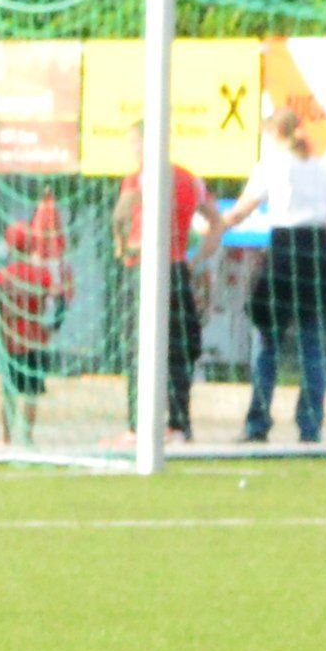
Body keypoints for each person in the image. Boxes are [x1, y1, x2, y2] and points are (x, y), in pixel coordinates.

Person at [238, 118, 326, 447]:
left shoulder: (273, 165)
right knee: (312, 346)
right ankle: (310, 427)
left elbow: (242, 209)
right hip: (316, 255)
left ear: (274, 135)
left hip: (284, 252)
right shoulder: (325, 171)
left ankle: (257, 424)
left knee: (267, 343)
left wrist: (214, 226)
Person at [123, 150, 213, 440]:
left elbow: (120, 214)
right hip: (177, 269)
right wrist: (196, 261)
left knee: (139, 348)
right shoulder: (190, 179)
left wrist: (121, 244)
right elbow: (217, 223)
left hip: (144, 268)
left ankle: (137, 425)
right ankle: (178, 424)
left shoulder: (139, 177)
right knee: (179, 349)